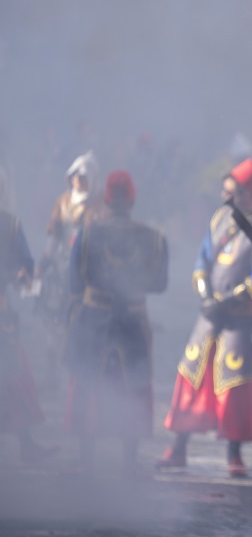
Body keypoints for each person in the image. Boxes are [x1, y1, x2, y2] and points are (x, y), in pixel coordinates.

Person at [158, 158, 252, 477]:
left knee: (235, 384)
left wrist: (227, 301)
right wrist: (207, 297)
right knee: (192, 376)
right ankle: (178, 448)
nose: (225, 197)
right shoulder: (219, 218)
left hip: (243, 318)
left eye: (232, 192)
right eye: (224, 191)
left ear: (248, 193)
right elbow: (202, 262)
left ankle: (234, 455)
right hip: (211, 314)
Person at [63, 170, 168, 473]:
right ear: (132, 199)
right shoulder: (154, 238)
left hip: (93, 319)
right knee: (132, 387)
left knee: (86, 383)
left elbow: (74, 281)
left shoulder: (87, 234)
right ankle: (129, 462)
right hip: (132, 321)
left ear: (107, 199)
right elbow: (159, 284)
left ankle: (86, 459)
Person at [36, 151, 102, 391]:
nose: (78, 180)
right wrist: (42, 265)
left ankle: (78, 376)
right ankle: (52, 371)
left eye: (83, 176)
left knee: (80, 324)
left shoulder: (98, 206)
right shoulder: (63, 201)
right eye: (75, 175)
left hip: (86, 273)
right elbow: (53, 237)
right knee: (54, 320)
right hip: (61, 270)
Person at [0, 210, 56, 463]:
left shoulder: (9, 224)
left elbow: (25, 265)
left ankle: (26, 443)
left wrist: (20, 275)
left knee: (14, 377)